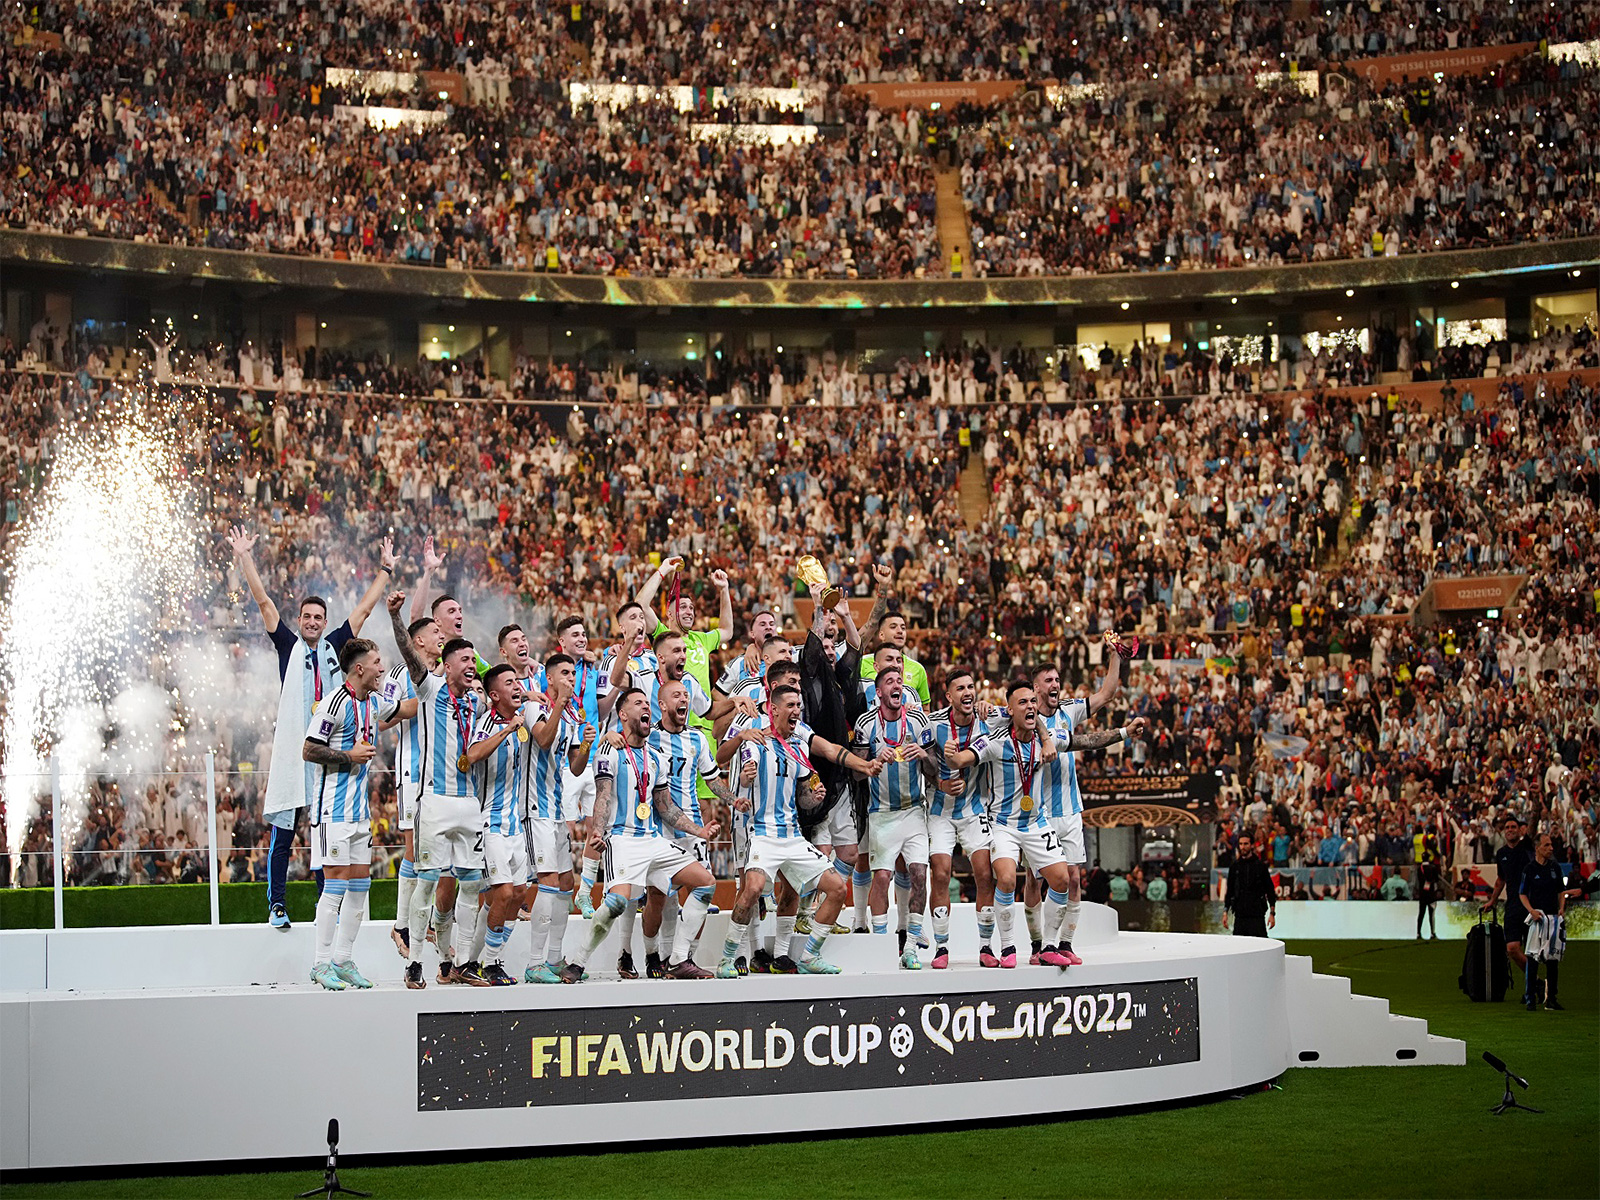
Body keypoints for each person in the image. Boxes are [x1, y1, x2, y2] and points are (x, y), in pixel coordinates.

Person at [228, 526, 394, 929]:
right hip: (293, 749)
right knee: (286, 826)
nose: (314, 622)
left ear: (325, 620)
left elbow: (364, 610)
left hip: (327, 746)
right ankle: (277, 905)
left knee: (322, 829)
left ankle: (325, 905)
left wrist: (386, 571)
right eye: (308, 617)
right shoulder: (288, 644)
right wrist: (244, 556)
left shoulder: (337, 644)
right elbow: (263, 601)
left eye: (319, 617)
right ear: (300, 620)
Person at [715, 684, 883, 976]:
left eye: (799, 706)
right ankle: (727, 959)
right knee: (752, 888)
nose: (797, 711)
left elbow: (804, 796)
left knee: (837, 888)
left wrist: (812, 796)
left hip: (792, 836)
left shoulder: (799, 746)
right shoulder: (756, 741)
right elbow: (734, 765)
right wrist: (744, 775)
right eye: (791, 705)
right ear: (774, 709)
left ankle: (808, 957)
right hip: (763, 834)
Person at [562, 688, 721, 983]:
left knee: (706, 883)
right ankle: (578, 962)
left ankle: (678, 959)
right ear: (622, 715)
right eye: (638, 703)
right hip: (622, 838)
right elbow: (603, 796)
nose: (646, 707)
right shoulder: (609, 751)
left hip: (653, 839)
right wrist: (598, 832)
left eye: (647, 704)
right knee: (617, 904)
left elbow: (664, 806)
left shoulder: (657, 758)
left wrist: (698, 830)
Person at [389, 592, 487, 990]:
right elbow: (408, 651)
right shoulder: (429, 689)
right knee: (427, 881)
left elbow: (504, 694)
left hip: (469, 804)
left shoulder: (477, 703)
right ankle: (415, 963)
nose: (470, 666)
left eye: (472, 661)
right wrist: (396, 615)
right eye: (464, 660)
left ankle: (456, 962)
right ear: (446, 665)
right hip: (434, 801)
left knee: (470, 883)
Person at [644, 678, 750, 978]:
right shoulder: (649, 738)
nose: (684, 700)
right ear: (662, 705)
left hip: (693, 830)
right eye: (677, 695)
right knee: (658, 895)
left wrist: (734, 799)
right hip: (660, 829)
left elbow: (713, 777)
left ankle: (682, 957)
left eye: (687, 696)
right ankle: (654, 956)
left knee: (702, 888)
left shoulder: (697, 739)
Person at [301, 637, 385, 991]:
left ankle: (342, 959)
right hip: (331, 811)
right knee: (334, 887)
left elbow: (406, 708)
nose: (382, 668)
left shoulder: (373, 702)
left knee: (360, 887)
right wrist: (349, 756)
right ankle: (320, 964)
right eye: (377, 662)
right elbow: (308, 749)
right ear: (359, 668)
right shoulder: (333, 703)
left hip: (358, 813)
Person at [849, 665, 937, 970]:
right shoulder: (865, 724)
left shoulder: (918, 721)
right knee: (882, 877)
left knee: (919, 875)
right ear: (879, 692)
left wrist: (925, 756)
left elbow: (936, 771)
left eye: (900, 680)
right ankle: (882, 945)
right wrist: (873, 762)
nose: (897, 685)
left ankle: (910, 948)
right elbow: (855, 771)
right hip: (881, 813)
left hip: (914, 810)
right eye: (890, 681)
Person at [523, 653, 595, 983]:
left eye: (572, 672)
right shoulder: (536, 707)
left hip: (556, 809)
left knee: (567, 883)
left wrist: (585, 748)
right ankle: (534, 963)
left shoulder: (567, 717)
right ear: (549, 678)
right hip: (533, 809)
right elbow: (542, 739)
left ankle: (553, 958)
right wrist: (560, 703)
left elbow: (574, 767)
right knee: (549, 883)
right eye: (564, 672)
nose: (570, 677)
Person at [462, 665, 534, 986]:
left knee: (518, 894)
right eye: (509, 683)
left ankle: (474, 961)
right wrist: (506, 729)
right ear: (494, 695)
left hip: (514, 825)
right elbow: (473, 754)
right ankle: (490, 964)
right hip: (489, 823)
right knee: (502, 892)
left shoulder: (521, 721)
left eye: (517, 680)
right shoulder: (488, 723)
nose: (516, 685)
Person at [377, 614, 443, 958]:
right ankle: (402, 924)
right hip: (412, 770)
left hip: (443, 773)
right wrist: (431, 696)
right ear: (417, 641)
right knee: (414, 850)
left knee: (435, 852)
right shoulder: (401, 674)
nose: (441, 635)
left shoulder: (449, 669)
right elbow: (383, 716)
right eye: (435, 632)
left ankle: (424, 921)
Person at [927, 667, 996, 969]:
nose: (968, 692)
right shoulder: (933, 724)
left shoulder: (987, 721)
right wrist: (938, 783)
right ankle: (941, 948)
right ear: (949, 696)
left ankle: (986, 947)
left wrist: (993, 707)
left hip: (974, 811)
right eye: (961, 688)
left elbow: (1018, 713)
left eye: (971, 687)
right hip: (940, 812)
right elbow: (923, 761)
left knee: (985, 874)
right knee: (941, 874)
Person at [1519, 832, 1578, 1012]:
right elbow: (1522, 893)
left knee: (1553, 959)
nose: (1551, 848)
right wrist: (1531, 911)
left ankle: (1551, 998)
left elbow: (1561, 891)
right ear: (1537, 848)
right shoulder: (1529, 869)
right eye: (1547, 845)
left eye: (1551, 845)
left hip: (1553, 919)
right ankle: (1530, 998)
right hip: (1538, 920)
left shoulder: (1555, 868)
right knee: (1533, 958)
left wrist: (1562, 908)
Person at [1482, 815, 1534, 999]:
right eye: (1507, 827)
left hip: (1530, 904)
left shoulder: (1527, 847)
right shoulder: (1501, 854)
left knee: (1531, 950)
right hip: (1512, 905)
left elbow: (1533, 823)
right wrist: (1492, 901)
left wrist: (1536, 803)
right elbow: (1500, 880)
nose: (1510, 829)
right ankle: (1536, 982)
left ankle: (1532, 987)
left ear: (1520, 830)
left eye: (1513, 826)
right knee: (1512, 948)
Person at [1223, 832, 1276, 937]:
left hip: (1257, 914)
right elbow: (1230, 890)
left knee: (1260, 947)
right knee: (1239, 948)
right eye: (1241, 844)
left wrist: (1272, 913)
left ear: (1252, 845)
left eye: (1246, 844)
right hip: (1240, 914)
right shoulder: (1235, 867)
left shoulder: (1260, 866)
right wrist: (1225, 912)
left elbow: (1269, 889)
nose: (1243, 847)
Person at [1416, 850, 1442, 940]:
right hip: (1431, 894)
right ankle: (1432, 933)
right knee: (1431, 914)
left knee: (1421, 914)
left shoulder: (1420, 868)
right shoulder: (1433, 868)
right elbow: (1437, 879)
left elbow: (1419, 880)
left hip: (1422, 894)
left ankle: (1418, 933)